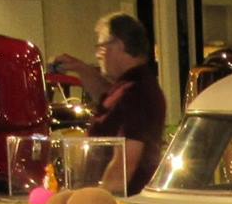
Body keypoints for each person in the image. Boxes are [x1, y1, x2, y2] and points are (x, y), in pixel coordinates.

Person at [54, 13, 166, 194]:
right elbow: (105, 97)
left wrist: (93, 203)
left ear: (118, 45)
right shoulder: (129, 86)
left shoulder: (137, 93)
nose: (98, 55)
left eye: (101, 47)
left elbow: (125, 164)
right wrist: (80, 68)